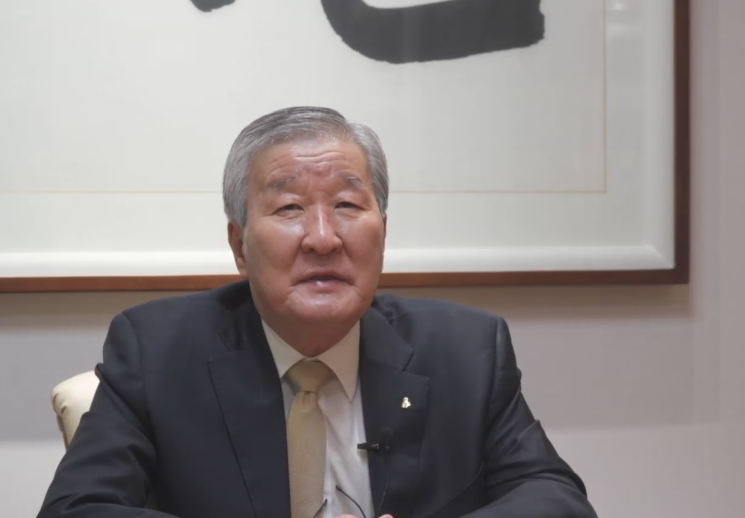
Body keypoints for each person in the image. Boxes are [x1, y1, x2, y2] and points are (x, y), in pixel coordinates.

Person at [37, 107, 596, 518]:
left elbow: (556, 499)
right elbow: (76, 509)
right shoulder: (157, 349)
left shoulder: (466, 350)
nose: (324, 238)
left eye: (348, 205)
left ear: (382, 234)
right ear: (239, 245)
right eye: (289, 208)